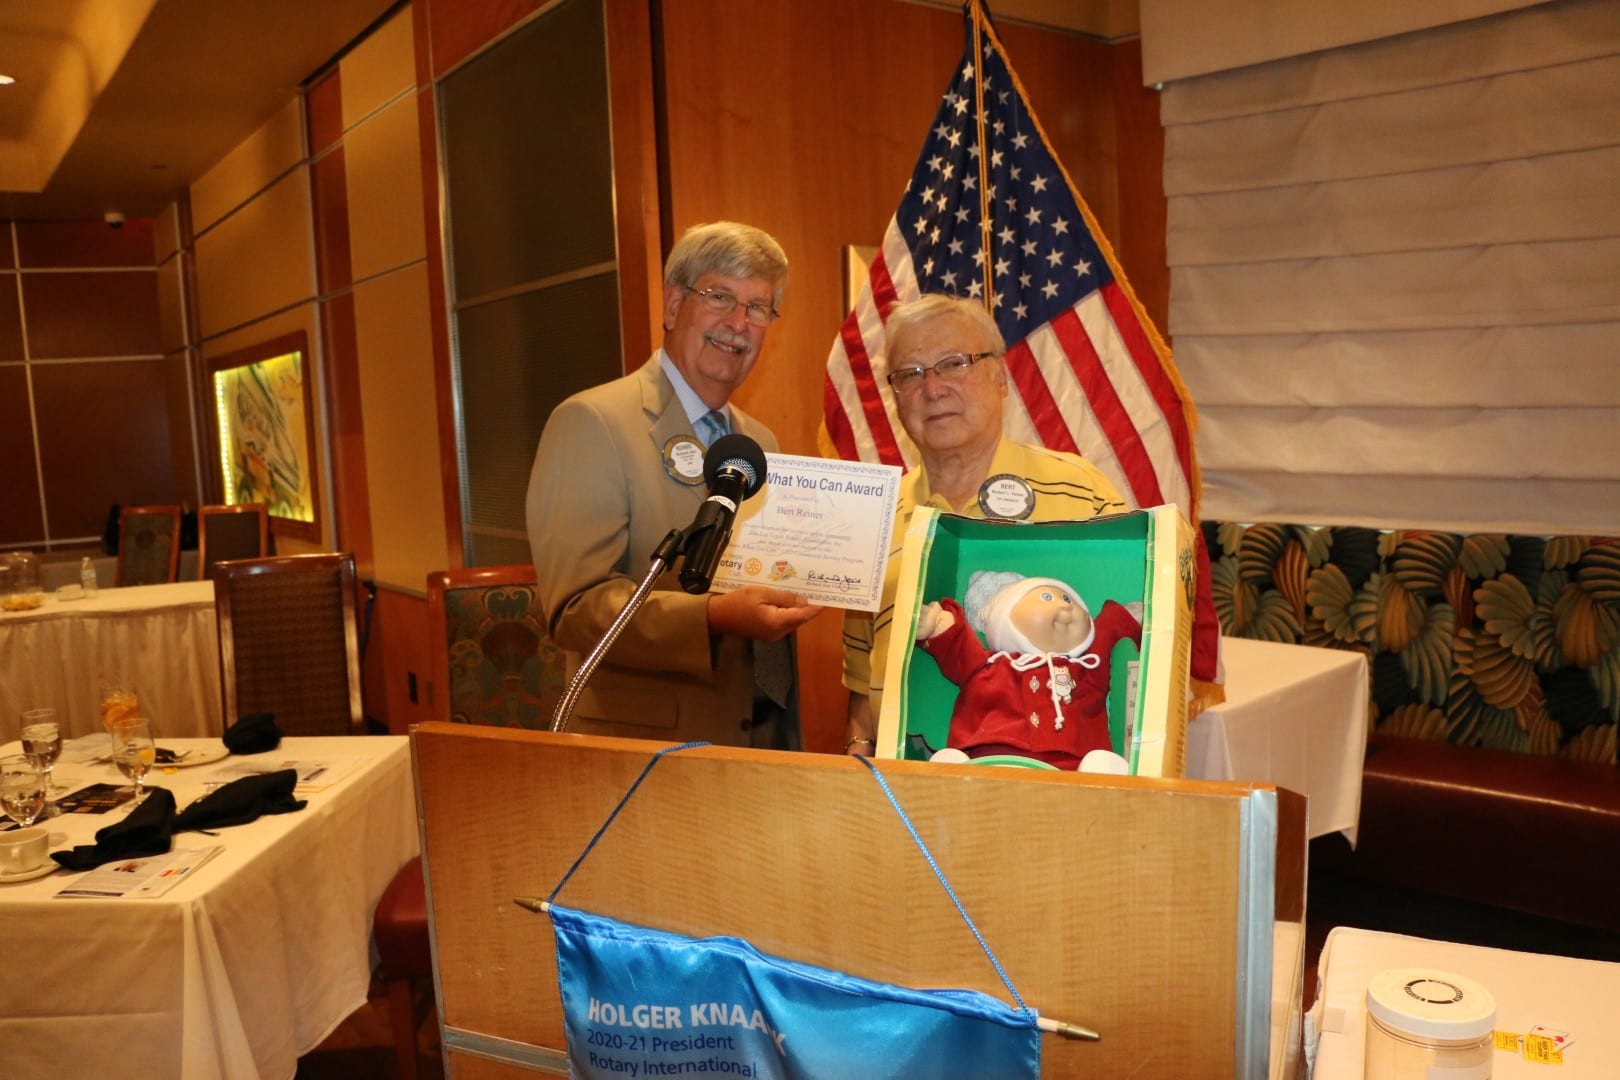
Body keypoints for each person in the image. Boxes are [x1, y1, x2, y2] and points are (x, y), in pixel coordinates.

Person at [527, 221, 820, 748]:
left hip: (763, 734)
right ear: (672, 304)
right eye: (720, 297)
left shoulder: (760, 442)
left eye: (758, 307)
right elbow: (575, 610)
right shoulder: (592, 422)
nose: (738, 323)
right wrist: (711, 617)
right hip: (647, 747)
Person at [842, 294, 1127, 756]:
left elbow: (1138, 648)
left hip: (1063, 779)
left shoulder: (1081, 490)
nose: (933, 388)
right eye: (910, 374)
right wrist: (857, 750)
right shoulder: (875, 519)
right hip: (902, 786)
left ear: (1000, 377)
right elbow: (862, 678)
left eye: (954, 364)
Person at [915, 569, 1140, 769]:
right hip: (990, 762)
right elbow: (958, 645)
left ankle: (1102, 781)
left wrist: (1127, 617)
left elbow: (1108, 631)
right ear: (1005, 619)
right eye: (1047, 597)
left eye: (1067, 598)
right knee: (954, 763)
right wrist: (939, 623)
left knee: (1099, 764)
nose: (1066, 605)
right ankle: (954, 776)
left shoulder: (1086, 668)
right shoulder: (987, 665)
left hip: (1070, 772)